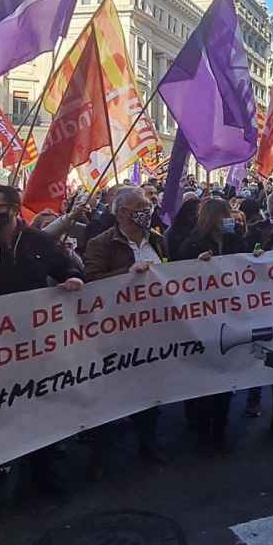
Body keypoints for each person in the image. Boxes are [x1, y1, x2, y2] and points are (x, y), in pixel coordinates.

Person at [0, 184, 85, 521]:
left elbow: (68, 268)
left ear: (14, 208)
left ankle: (45, 475)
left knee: (41, 410)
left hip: (37, 347)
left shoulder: (39, 242)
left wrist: (74, 278)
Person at [83, 186, 173, 466]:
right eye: (140, 207)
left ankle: (148, 444)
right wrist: (126, 274)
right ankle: (100, 457)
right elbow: (92, 281)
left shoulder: (157, 240)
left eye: (148, 206)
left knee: (149, 392)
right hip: (116, 332)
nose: (147, 212)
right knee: (111, 394)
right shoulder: (101, 243)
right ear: (122, 212)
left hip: (152, 329)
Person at [176, 198, 248, 452]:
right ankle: (201, 428)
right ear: (212, 218)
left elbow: (246, 261)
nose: (229, 219)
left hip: (230, 315)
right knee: (207, 378)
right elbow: (179, 274)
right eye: (224, 215)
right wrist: (196, 263)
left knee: (226, 378)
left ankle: (220, 429)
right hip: (203, 319)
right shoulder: (193, 243)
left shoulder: (233, 240)